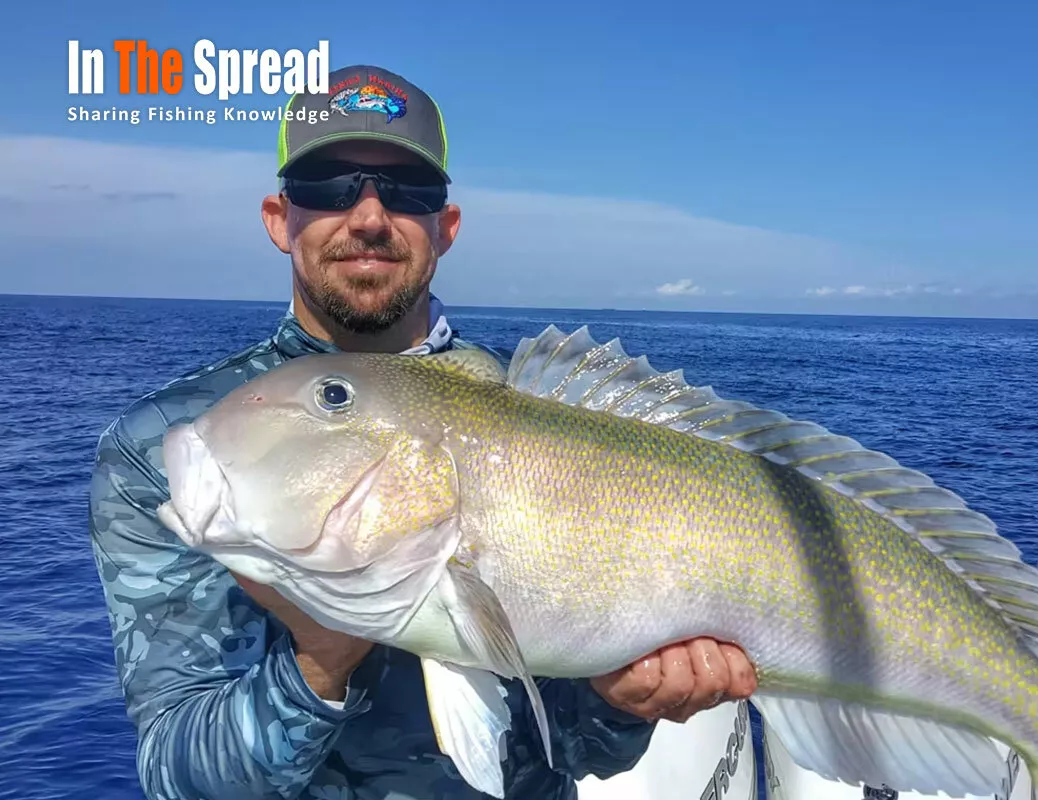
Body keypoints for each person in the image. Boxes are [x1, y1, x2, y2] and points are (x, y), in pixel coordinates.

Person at [88, 63, 757, 800]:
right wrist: (320, 659)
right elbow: (176, 773)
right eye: (329, 186)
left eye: (408, 192)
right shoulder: (164, 447)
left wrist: (623, 702)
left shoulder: (552, 423)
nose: (370, 216)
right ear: (281, 219)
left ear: (448, 226)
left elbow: (575, 751)